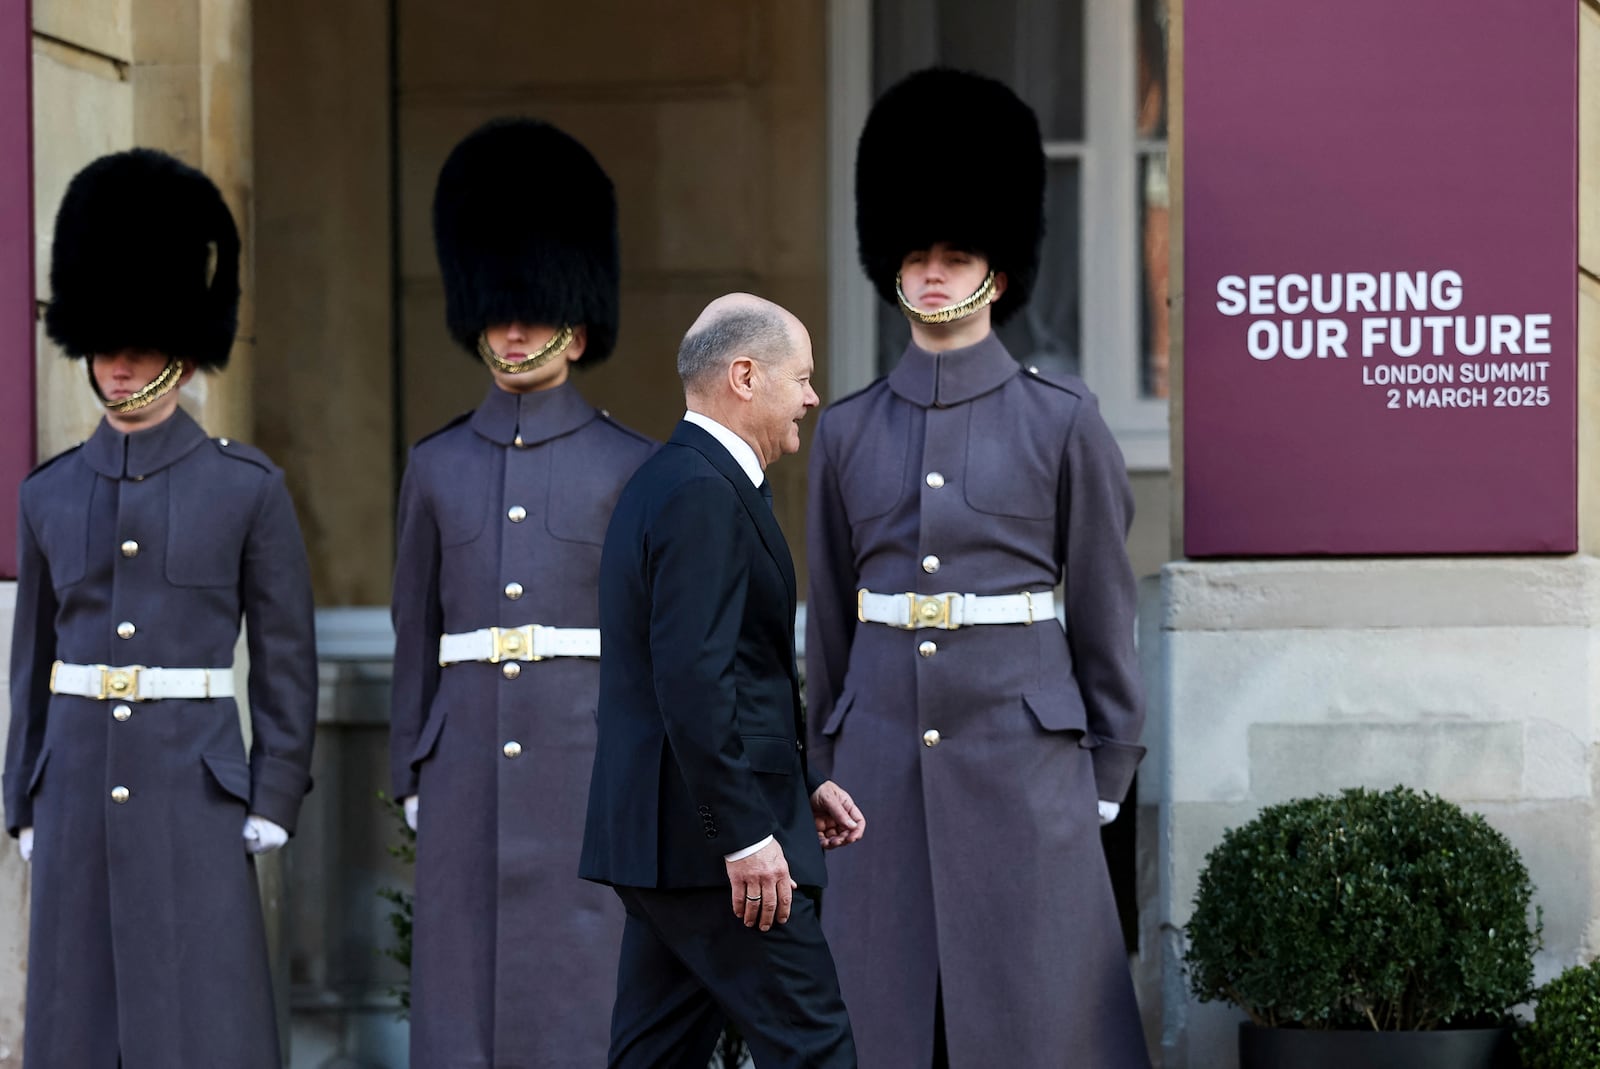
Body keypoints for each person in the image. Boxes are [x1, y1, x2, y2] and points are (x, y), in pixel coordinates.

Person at [804, 68, 1152, 1068]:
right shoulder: (845, 432)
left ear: (996, 265)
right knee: (886, 1022)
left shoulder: (1062, 419)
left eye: (955, 253)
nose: (933, 274)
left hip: (1024, 763)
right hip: (876, 769)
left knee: (1038, 1025)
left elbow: (1099, 609)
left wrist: (1106, 769)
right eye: (915, 253)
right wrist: (825, 763)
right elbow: (831, 621)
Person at [3, 148, 317, 1068]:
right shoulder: (49, 494)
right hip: (75, 791)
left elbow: (287, 659)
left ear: (180, 349)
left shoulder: (246, 488)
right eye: (107, 343)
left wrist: (277, 790)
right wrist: (23, 793)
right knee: (79, 1022)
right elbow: (33, 660)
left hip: (197, 791)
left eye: (138, 344)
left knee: (201, 1025)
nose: (119, 362)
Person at [388, 116, 656, 1067]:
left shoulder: (633, 467)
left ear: (576, 325)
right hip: (464, 772)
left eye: (534, 308)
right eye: (499, 306)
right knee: (462, 998)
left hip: (586, 769)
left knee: (583, 995)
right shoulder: (437, 466)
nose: (512, 326)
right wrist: (411, 764)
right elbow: (416, 631)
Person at [581, 293, 863, 1069]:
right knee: (817, 1048)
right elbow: (694, 680)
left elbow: (731, 671)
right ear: (745, 375)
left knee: (655, 1057)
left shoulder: (671, 478)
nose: (812, 396)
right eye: (801, 377)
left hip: (671, 848)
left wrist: (797, 780)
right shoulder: (704, 492)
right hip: (718, 854)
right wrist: (744, 829)